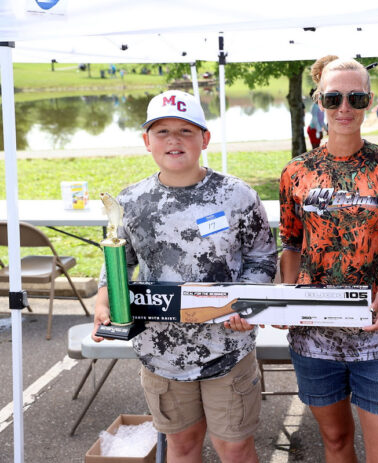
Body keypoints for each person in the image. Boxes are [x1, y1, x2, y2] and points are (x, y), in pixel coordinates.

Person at [91, 90, 277, 462]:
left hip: (227, 347)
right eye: (161, 131)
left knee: (235, 447)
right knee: (182, 445)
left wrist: (248, 301)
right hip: (162, 353)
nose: (174, 140)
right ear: (147, 141)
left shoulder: (237, 195)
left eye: (186, 130)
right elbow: (118, 261)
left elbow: (262, 256)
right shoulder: (131, 202)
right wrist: (103, 296)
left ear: (205, 139)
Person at [279, 57, 378, 462]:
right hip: (313, 337)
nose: (344, 107)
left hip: (377, 335)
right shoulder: (296, 172)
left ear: (370, 101)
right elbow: (290, 241)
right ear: (318, 99)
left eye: (356, 97)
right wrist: (287, 293)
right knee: (336, 442)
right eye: (333, 97)